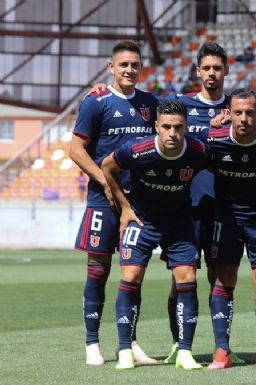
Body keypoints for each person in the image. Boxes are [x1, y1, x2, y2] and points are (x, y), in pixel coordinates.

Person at [90, 42, 244, 368]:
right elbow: (109, 160)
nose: (174, 132)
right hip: (159, 214)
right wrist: (104, 90)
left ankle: (214, 349)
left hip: (209, 211)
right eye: (207, 68)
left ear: (226, 71)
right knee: (144, 276)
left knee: (212, 275)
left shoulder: (239, 109)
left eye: (218, 68)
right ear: (198, 70)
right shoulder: (173, 110)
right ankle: (155, 346)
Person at [101, 100, 210, 370]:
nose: (172, 133)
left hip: (179, 222)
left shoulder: (198, 151)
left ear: (186, 128)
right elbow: (107, 166)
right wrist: (124, 207)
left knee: (187, 277)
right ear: (156, 127)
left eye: (178, 127)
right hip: (142, 220)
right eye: (166, 127)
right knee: (130, 276)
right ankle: (125, 349)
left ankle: (185, 351)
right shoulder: (138, 150)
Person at [69, 40, 157, 366]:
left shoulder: (151, 103)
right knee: (97, 271)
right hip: (102, 201)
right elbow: (76, 150)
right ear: (111, 67)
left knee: (132, 274)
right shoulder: (96, 102)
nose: (129, 70)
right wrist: (104, 179)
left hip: (138, 204)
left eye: (134, 64)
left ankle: (130, 342)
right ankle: (92, 343)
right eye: (123, 65)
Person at [205, 89, 256, 371]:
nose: (243, 118)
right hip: (225, 217)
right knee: (224, 278)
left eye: (249, 112)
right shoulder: (213, 139)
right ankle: (221, 351)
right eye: (237, 112)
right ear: (228, 114)